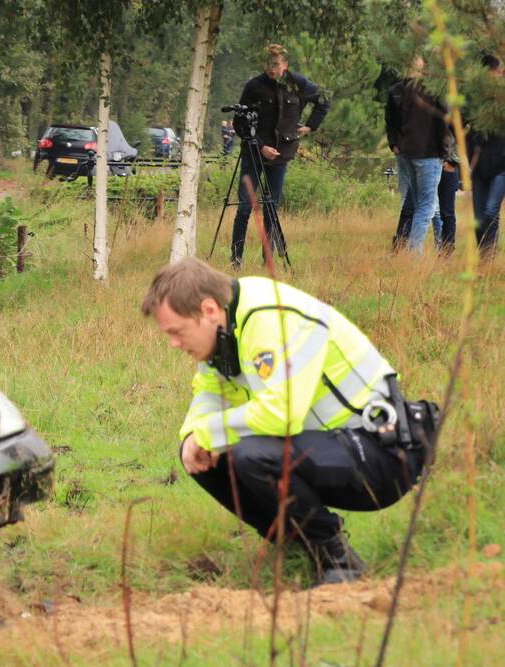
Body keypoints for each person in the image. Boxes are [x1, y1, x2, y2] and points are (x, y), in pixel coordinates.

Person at [141, 258, 435, 585]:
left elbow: (282, 415)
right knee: (203, 458)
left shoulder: (270, 318)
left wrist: (208, 433)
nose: (173, 344)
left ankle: (338, 562)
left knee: (251, 454)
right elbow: (210, 391)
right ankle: (298, 549)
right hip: (330, 450)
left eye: (177, 332)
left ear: (208, 309)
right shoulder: (225, 329)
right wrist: (192, 436)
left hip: (383, 455)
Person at [230, 44, 330, 268]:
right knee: (246, 205)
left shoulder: (298, 84)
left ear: (285, 64)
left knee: (271, 207)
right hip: (254, 154)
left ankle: (269, 258)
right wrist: (260, 146)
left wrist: (310, 127)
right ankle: (236, 259)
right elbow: (240, 123)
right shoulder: (254, 86)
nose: (271, 69)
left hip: (282, 154)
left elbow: (324, 99)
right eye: (268, 64)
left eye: (275, 64)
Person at [385, 55, 449, 254]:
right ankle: (414, 254)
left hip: (410, 154)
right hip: (426, 155)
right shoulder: (430, 91)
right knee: (426, 207)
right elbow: (442, 123)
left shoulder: (402, 90)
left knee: (419, 202)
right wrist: (444, 152)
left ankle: (420, 249)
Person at [468, 54, 505, 258]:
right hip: (479, 166)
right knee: (479, 217)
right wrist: (469, 154)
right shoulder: (474, 99)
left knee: (491, 211)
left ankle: (488, 256)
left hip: (502, 166)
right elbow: (460, 126)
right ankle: (484, 256)